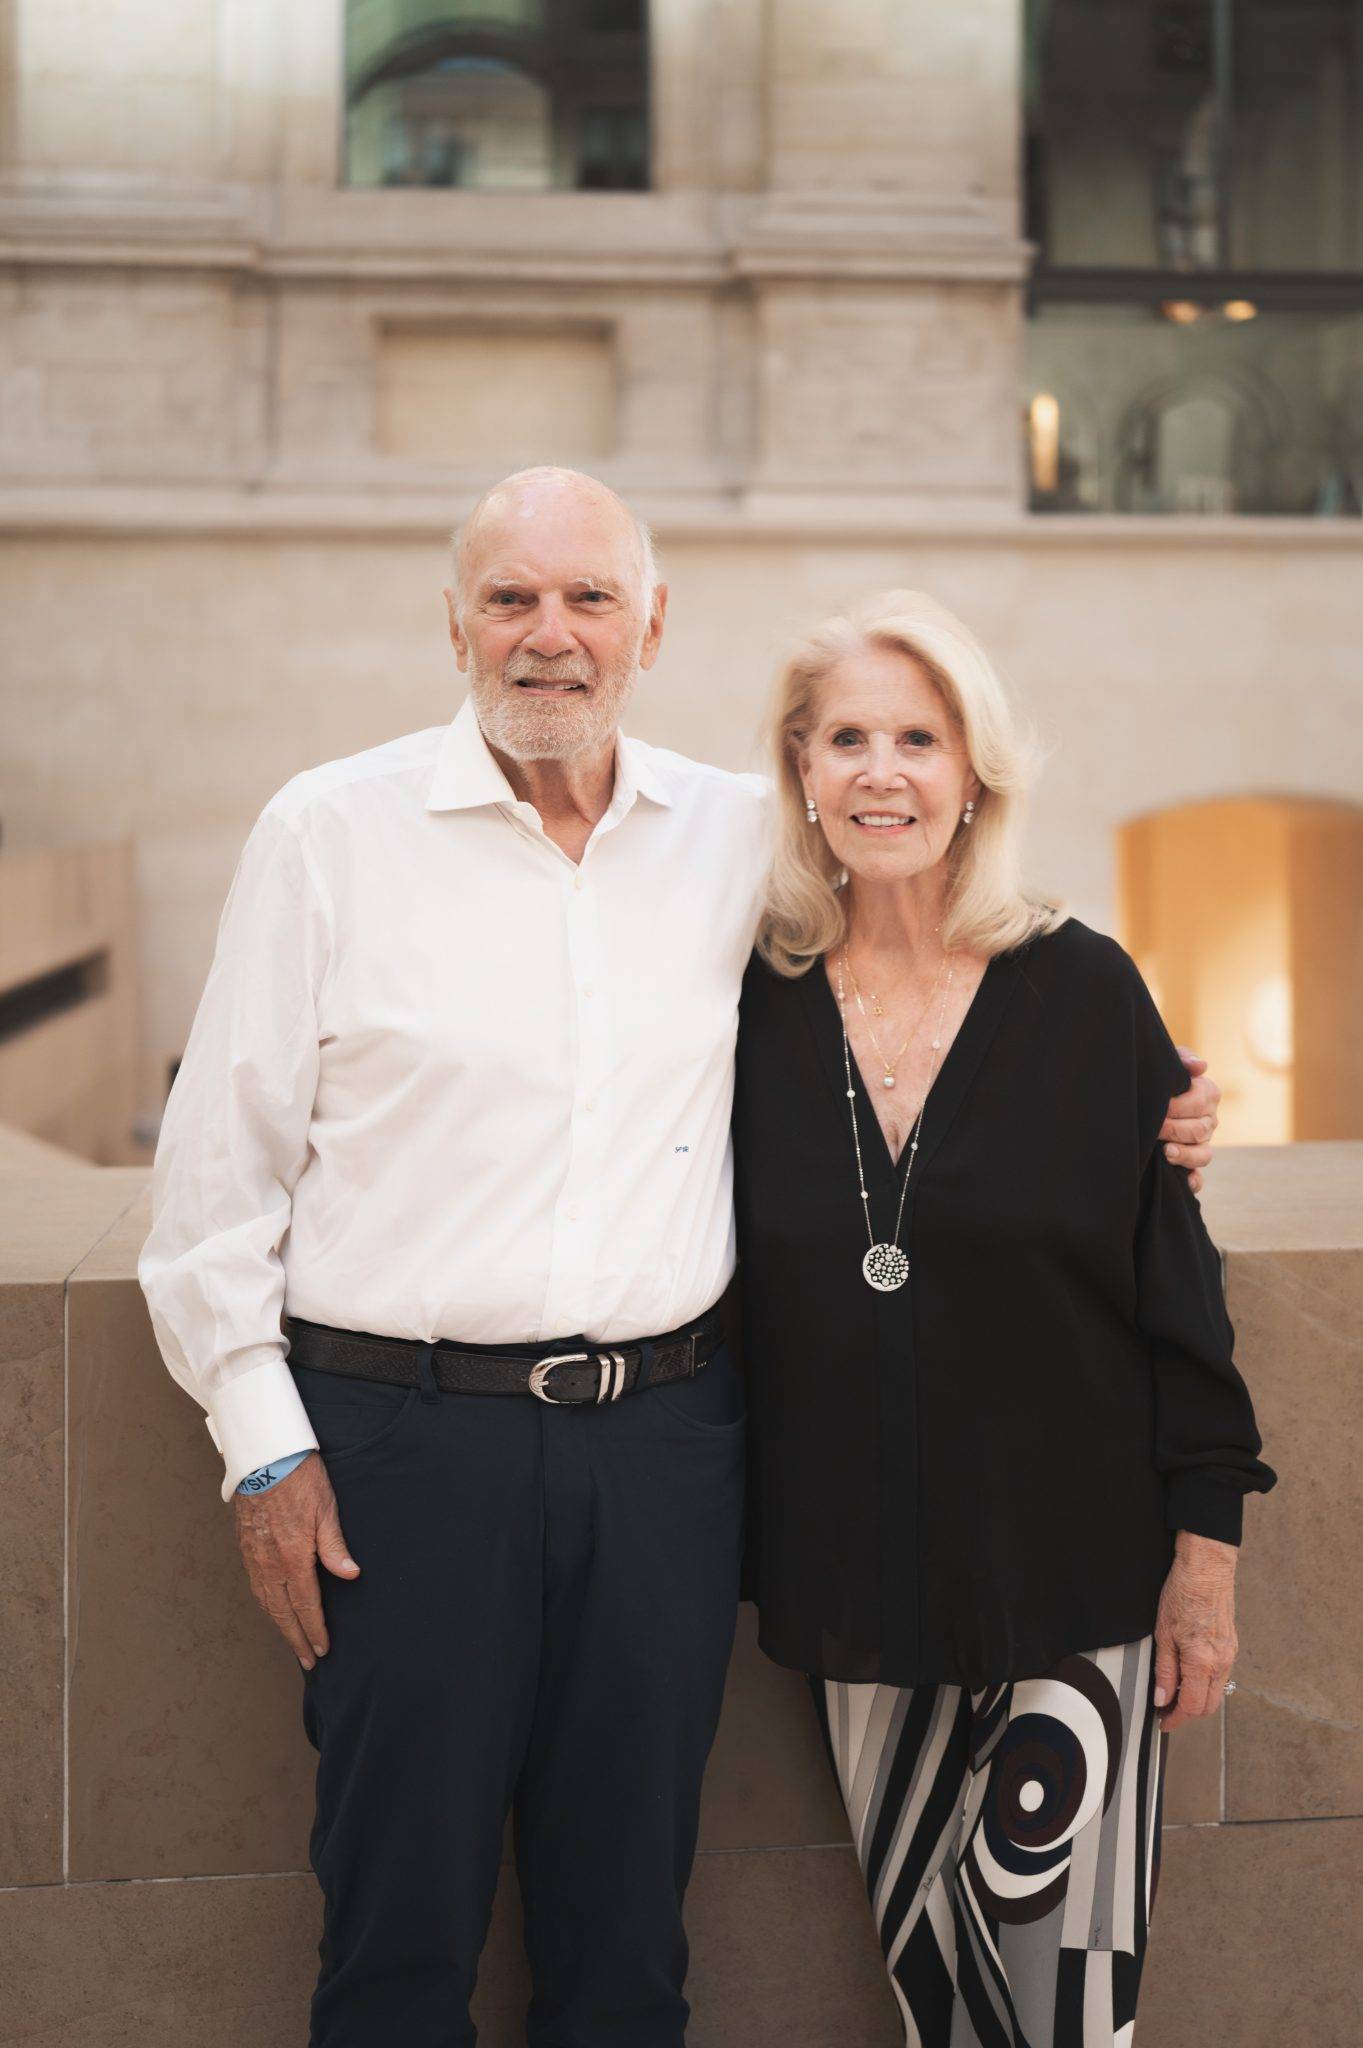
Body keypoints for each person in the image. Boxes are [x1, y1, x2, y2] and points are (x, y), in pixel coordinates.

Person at [137, 472, 1221, 2048]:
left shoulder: (734, 837)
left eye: (588, 600)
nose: (549, 637)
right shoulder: (329, 833)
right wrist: (261, 1454)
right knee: (394, 1935)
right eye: (510, 599)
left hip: (666, 1456)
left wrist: (1164, 1092)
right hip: (403, 1456)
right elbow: (211, 1185)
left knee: (631, 1942)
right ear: (455, 624)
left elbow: (961, 965)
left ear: (653, 627)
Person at [731, 590, 1277, 2048]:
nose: (883, 771)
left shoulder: (1083, 988)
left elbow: (1178, 1288)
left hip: (1081, 1584)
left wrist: (1204, 1557)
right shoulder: (748, 1004)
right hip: (859, 1582)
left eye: (921, 736)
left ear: (975, 771)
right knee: (937, 1995)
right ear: (799, 768)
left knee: (1067, 2009)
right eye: (847, 737)